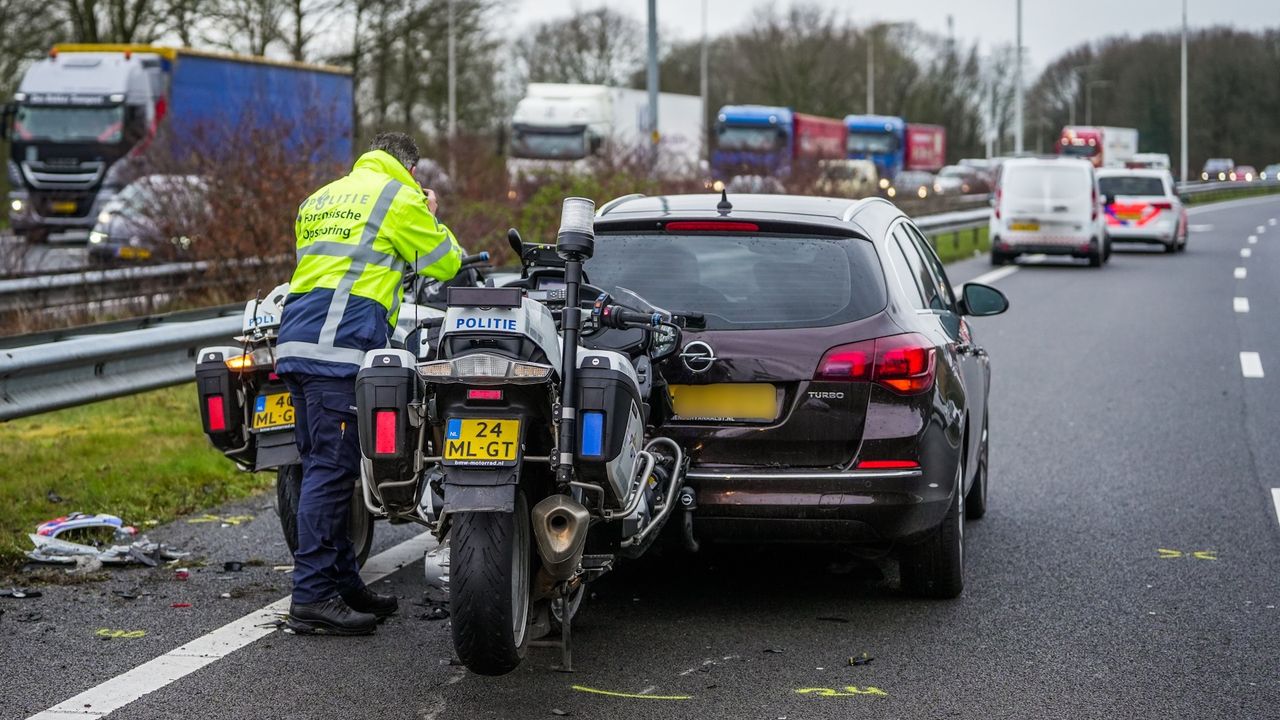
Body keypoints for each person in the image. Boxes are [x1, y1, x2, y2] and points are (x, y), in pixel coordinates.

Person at [276, 132, 463, 635]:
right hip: (339, 347)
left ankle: (343, 583)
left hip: (297, 342)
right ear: (411, 169)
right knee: (331, 473)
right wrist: (431, 213)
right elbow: (446, 261)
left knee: (322, 469)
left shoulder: (321, 197)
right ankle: (312, 598)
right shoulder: (398, 197)